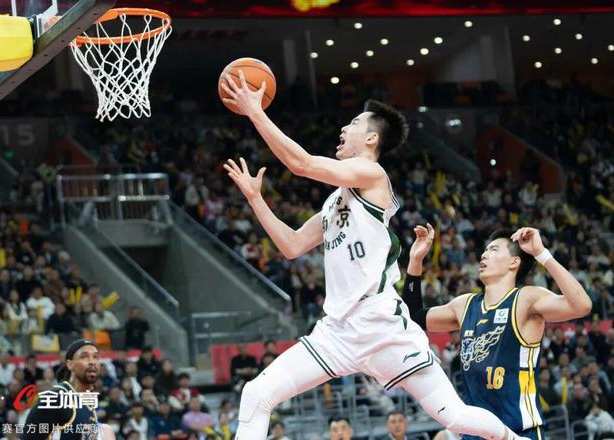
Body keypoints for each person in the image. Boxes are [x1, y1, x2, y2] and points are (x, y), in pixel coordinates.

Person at [222, 74, 526, 440]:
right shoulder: (334, 202)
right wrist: (256, 199)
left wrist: (255, 111)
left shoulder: (372, 174)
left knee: (454, 417)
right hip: (337, 330)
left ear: (371, 139)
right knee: (257, 393)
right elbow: (292, 245)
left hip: (381, 324)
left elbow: (301, 164)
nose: (343, 128)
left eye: (353, 123)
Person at [404, 225, 593, 439]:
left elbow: (582, 305)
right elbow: (411, 318)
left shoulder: (525, 299)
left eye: (493, 250)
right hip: (474, 435)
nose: (484, 255)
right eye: (485, 250)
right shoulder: (465, 305)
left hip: (519, 432)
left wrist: (541, 253)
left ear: (514, 262)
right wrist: (416, 260)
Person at [21, 339, 101, 439]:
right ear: (70, 364)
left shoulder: (88, 401)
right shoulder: (56, 398)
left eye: (95, 357)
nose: (92, 362)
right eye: (84, 357)